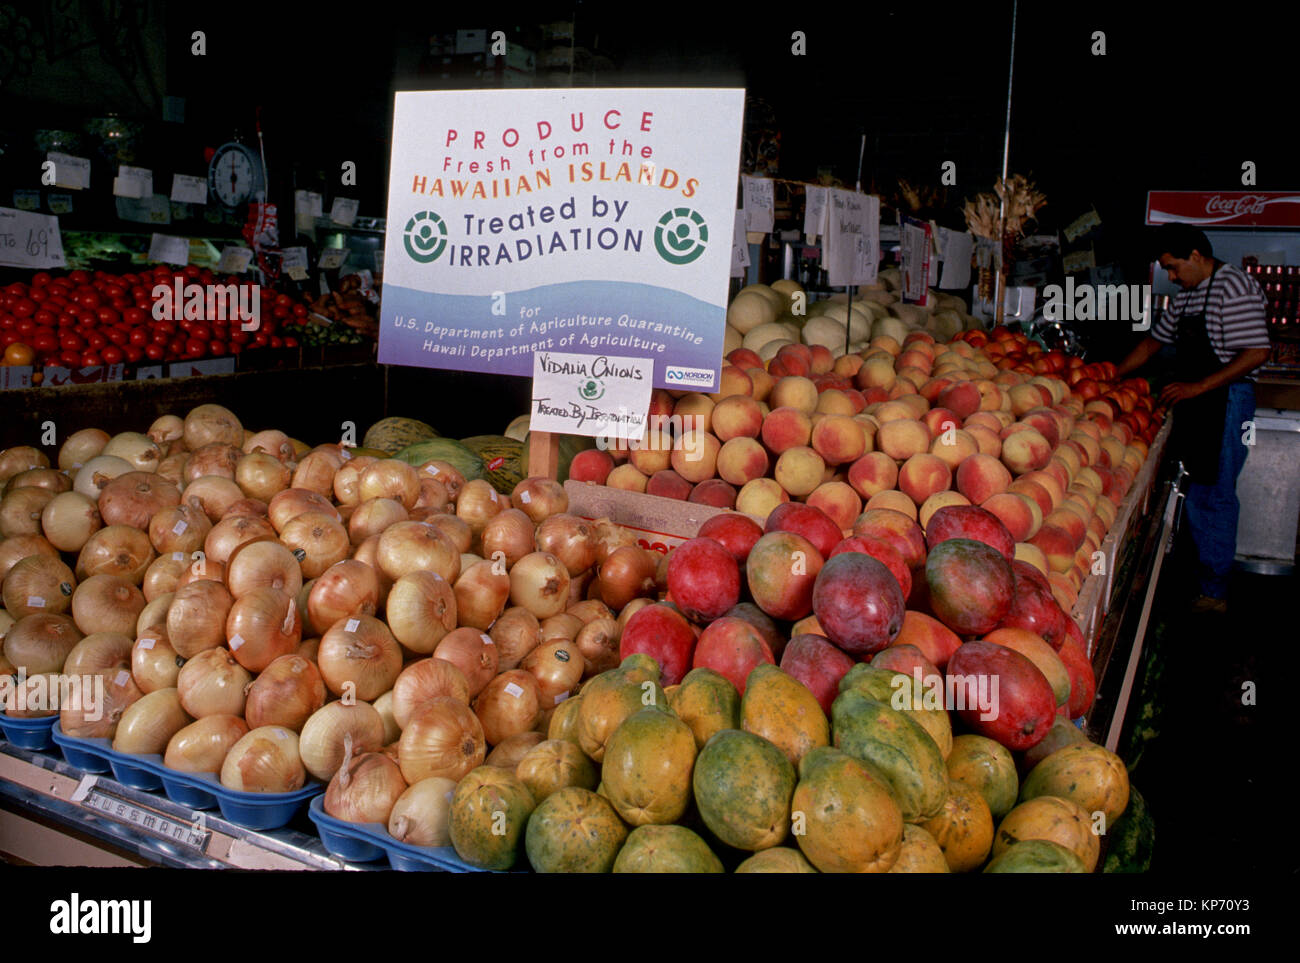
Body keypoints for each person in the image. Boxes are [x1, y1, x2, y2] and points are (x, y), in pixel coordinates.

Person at [1116, 224, 1271, 613]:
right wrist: (1111, 378)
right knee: (1199, 487)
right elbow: (1154, 342)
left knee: (1215, 493)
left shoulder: (1233, 287)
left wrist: (1198, 387)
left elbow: (1256, 352)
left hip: (1227, 401)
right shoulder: (1188, 295)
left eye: (1173, 267)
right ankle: (1200, 578)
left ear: (1197, 257)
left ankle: (1214, 592)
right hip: (1200, 402)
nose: (1170, 277)